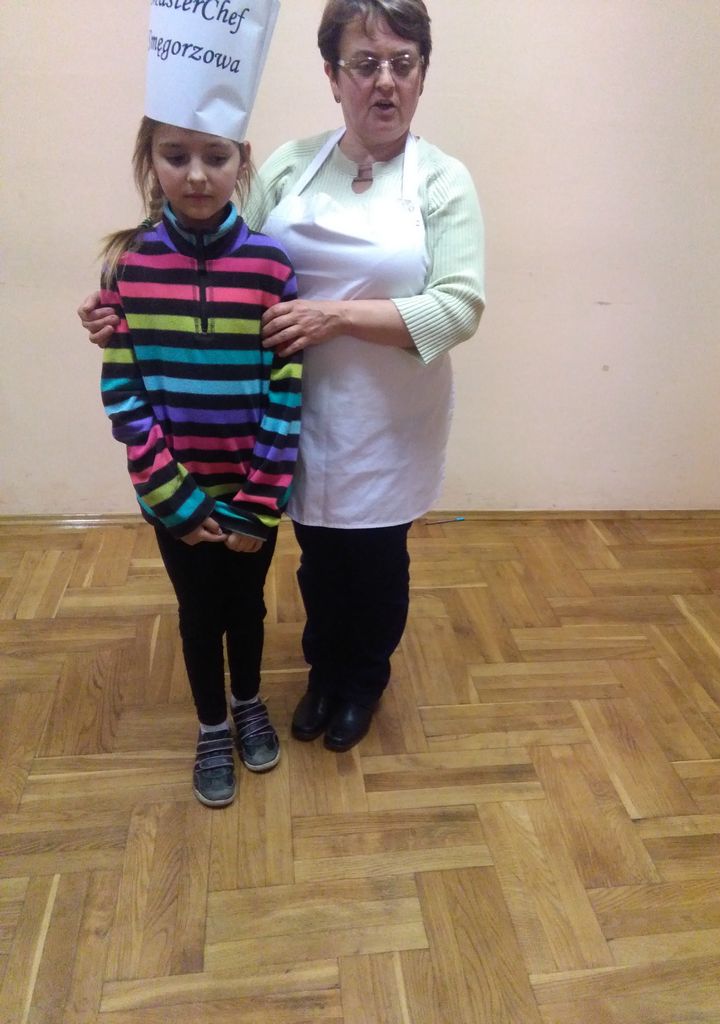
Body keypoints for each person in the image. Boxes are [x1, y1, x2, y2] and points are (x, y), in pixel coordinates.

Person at [79, 0, 485, 754]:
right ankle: (323, 673)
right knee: (320, 563)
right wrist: (118, 302)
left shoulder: (443, 181)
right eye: (364, 64)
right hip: (283, 420)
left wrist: (334, 317)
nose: (385, 81)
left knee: (377, 566)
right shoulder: (294, 165)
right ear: (333, 75)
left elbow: (458, 308)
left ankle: (362, 682)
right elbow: (212, 240)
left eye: (402, 63)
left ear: (423, 74)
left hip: (389, 421)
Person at [98, 116, 301, 806]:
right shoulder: (129, 267)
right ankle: (212, 723)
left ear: (241, 161)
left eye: (215, 157)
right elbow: (124, 395)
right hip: (174, 498)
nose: (195, 175)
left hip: (251, 495)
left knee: (246, 608)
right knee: (197, 611)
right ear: (149, 159)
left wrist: (259, 502)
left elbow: (287, 391)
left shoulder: (272, 267)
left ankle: (248, 701)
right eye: (175, 155)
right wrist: (174, 501)